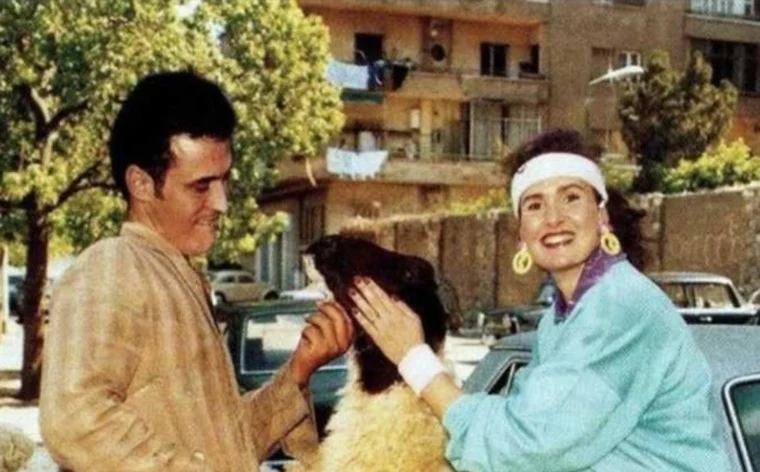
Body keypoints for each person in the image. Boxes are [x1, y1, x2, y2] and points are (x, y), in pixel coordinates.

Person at [349, 129, 730, 471]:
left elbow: (529, 447)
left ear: (602, 218)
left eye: (571, 198)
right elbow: (519, 425)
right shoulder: (562, 318)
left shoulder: (621, 306)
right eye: (534, 204)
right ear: (521, 234)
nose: (553, 218)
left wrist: (414, 358)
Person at [39, 71, 354, 472]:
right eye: (201, 186)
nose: (221, 202)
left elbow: (231, 448)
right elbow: (74, 421)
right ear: (141, 183)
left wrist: (299, 370)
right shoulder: (112, 266)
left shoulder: (175, 275)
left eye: (224, 181)